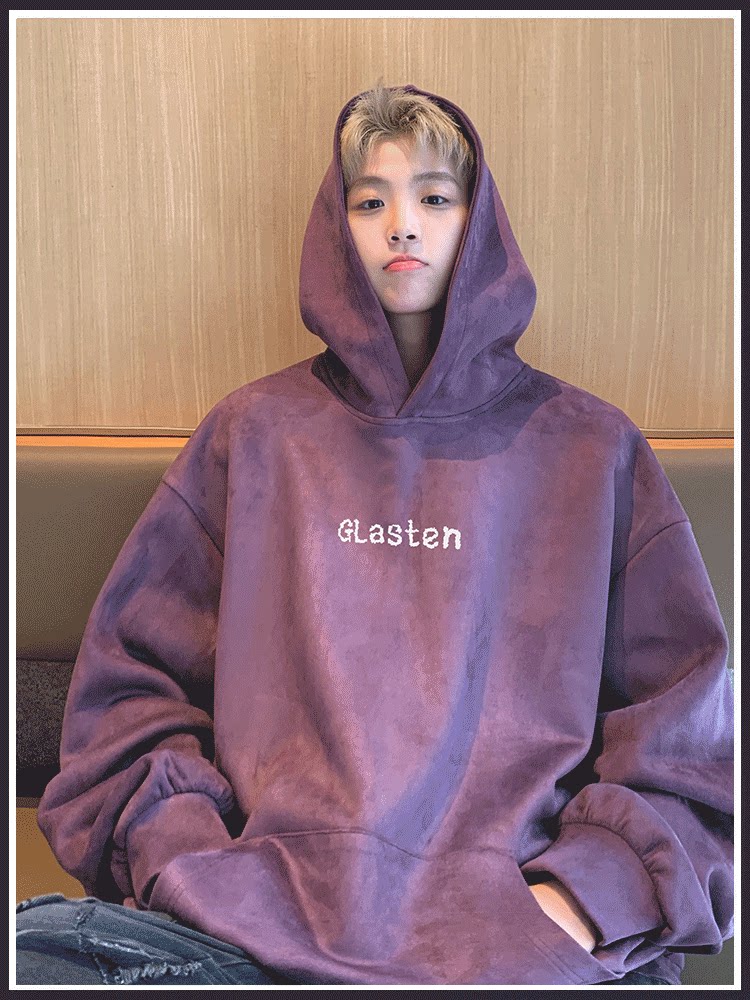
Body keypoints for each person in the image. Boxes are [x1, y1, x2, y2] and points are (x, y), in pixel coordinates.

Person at [16, 82, 733, 987]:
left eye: (434, 197)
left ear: (478, 224)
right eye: (370, 201)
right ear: (336, 225)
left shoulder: (593, 449)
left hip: (512, 951)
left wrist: (576, 903)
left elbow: (688, 737)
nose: (402, 226)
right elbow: (127, 695)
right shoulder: (254, 435)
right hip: (247, 938)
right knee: (35, 955)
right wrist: (188, 860)